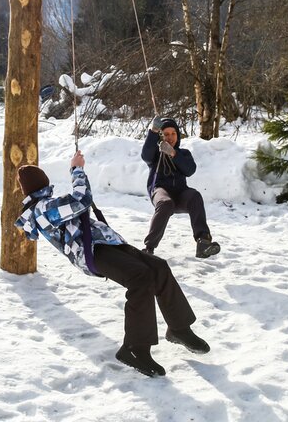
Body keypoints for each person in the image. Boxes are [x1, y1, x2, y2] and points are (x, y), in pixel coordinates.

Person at [14, 151, 210, 377]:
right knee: (140, 278)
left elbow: (79, 203)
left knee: (158, 267)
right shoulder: (42, 209)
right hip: (94, 252)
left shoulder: (48, 203)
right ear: (42, 183)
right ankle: (134, 349)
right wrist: (77, 170)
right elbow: (81, 199)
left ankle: (179, 328)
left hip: (108, 244)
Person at [141, 117, 221, 258]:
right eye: (166, 134)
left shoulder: (183, 154)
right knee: (166, 203)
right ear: (161, 136)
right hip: (160, 191)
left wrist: (173, 153)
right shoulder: (155, 154)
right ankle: (149, 248)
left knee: (194, 196)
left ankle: (203, 241)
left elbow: (190, 170)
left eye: (173, 134)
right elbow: (145, 155)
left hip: (180, 193)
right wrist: (153, 132)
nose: (170, 137)